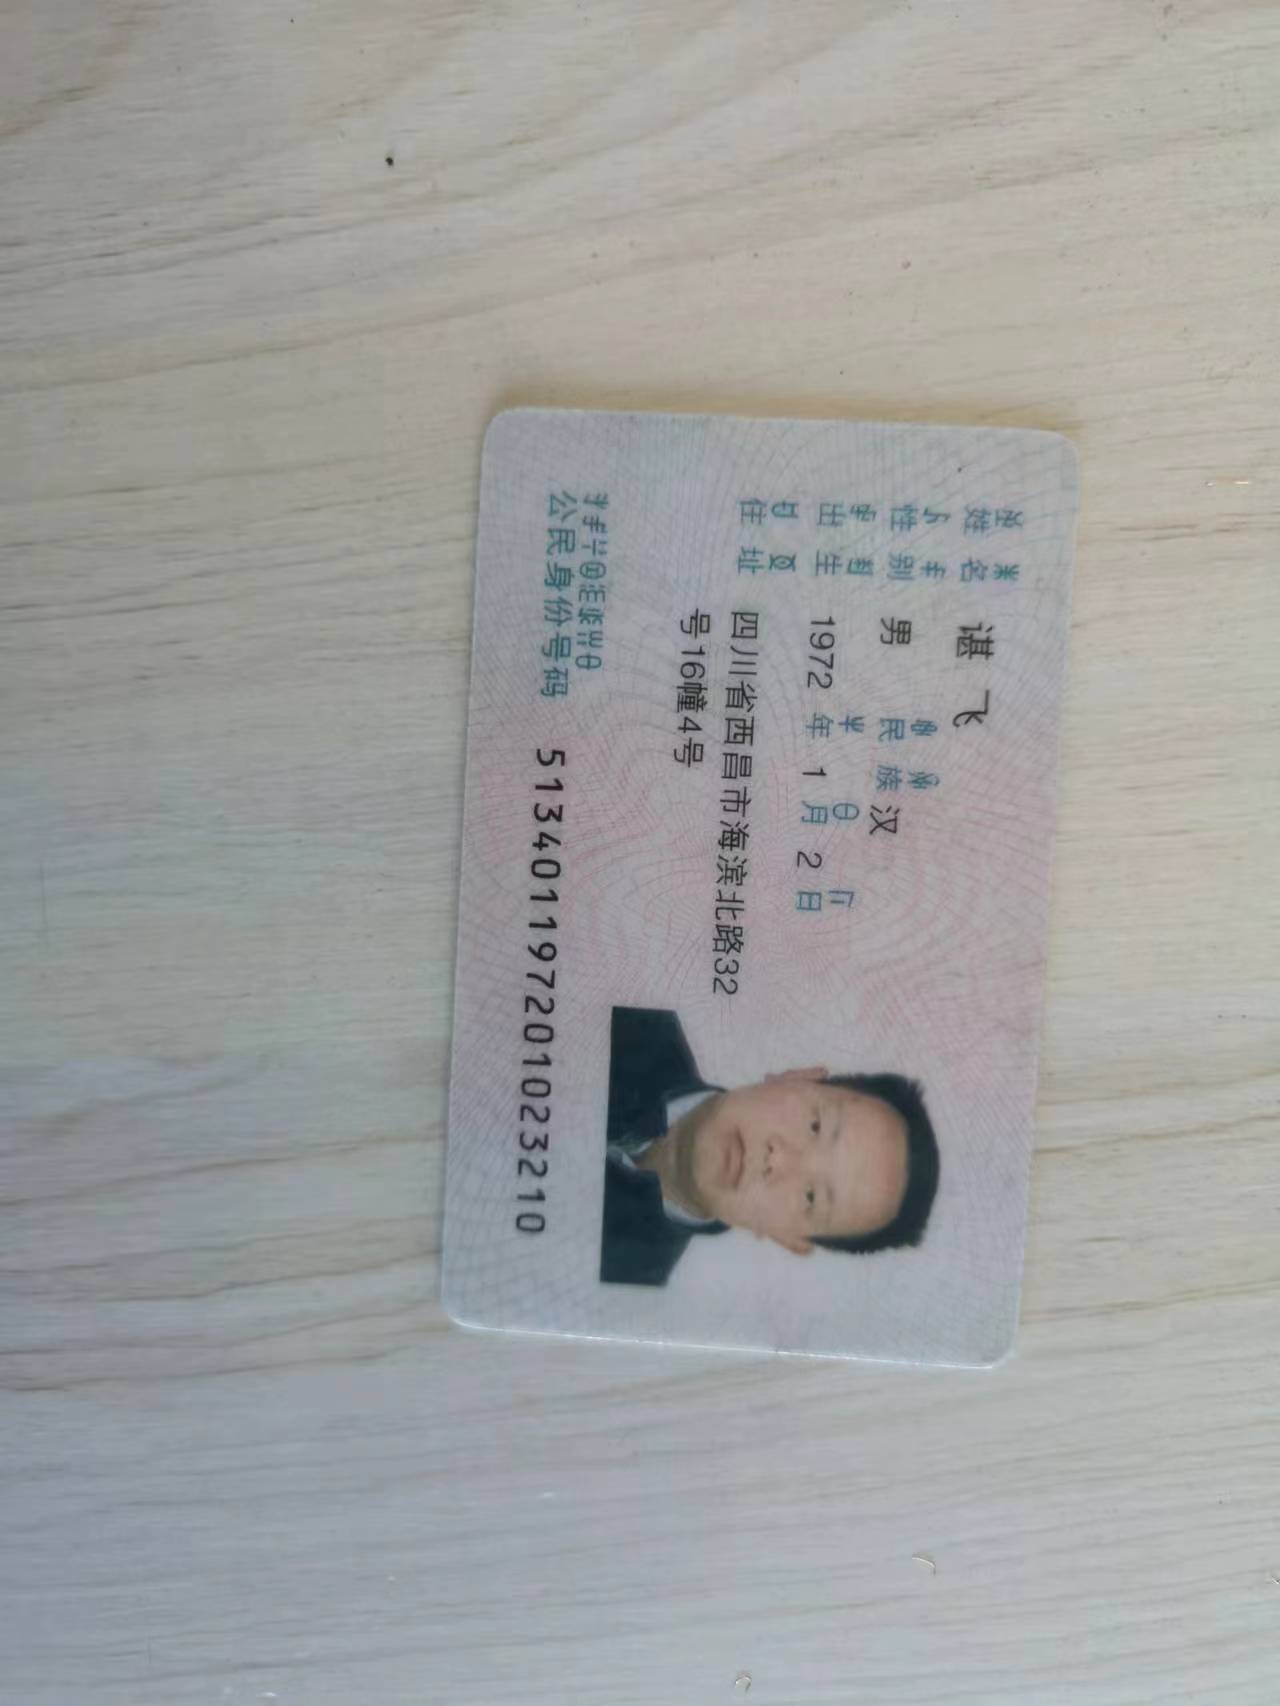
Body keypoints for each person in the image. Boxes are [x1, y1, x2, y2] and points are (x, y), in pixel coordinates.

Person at [601, 1006, 940, 1287]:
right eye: (815, 1126)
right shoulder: (630, 1019)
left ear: (787, 1238)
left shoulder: (626, 1280)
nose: (779, 1160)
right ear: (796, 1077)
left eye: (811, 1196)